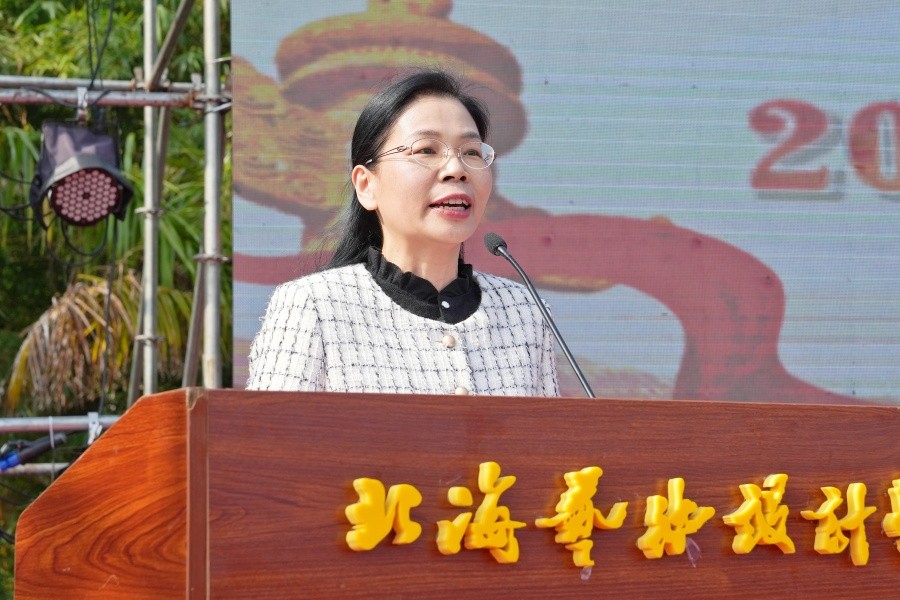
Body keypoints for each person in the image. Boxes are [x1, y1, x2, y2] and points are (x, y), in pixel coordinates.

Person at [246, 69, 559, 396]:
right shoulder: (314, 305)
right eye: (426, 150)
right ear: (366, 186)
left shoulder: (525, 311)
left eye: (471, 152)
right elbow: (274, 428)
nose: (456, 169)